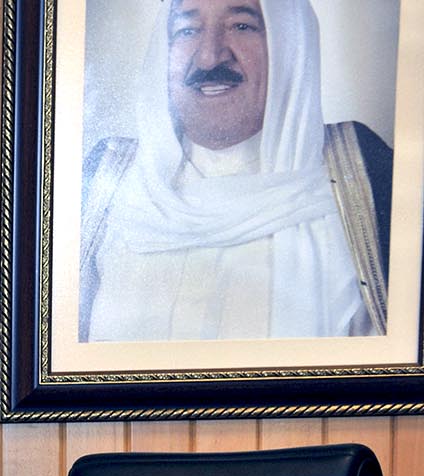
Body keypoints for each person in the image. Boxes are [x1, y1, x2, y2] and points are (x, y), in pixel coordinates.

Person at [80, 0, 392, 342]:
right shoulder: (107, 181)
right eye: (187, 30)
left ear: (289, 42)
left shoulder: (361, 175)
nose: (209, 57)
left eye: (241, 26)